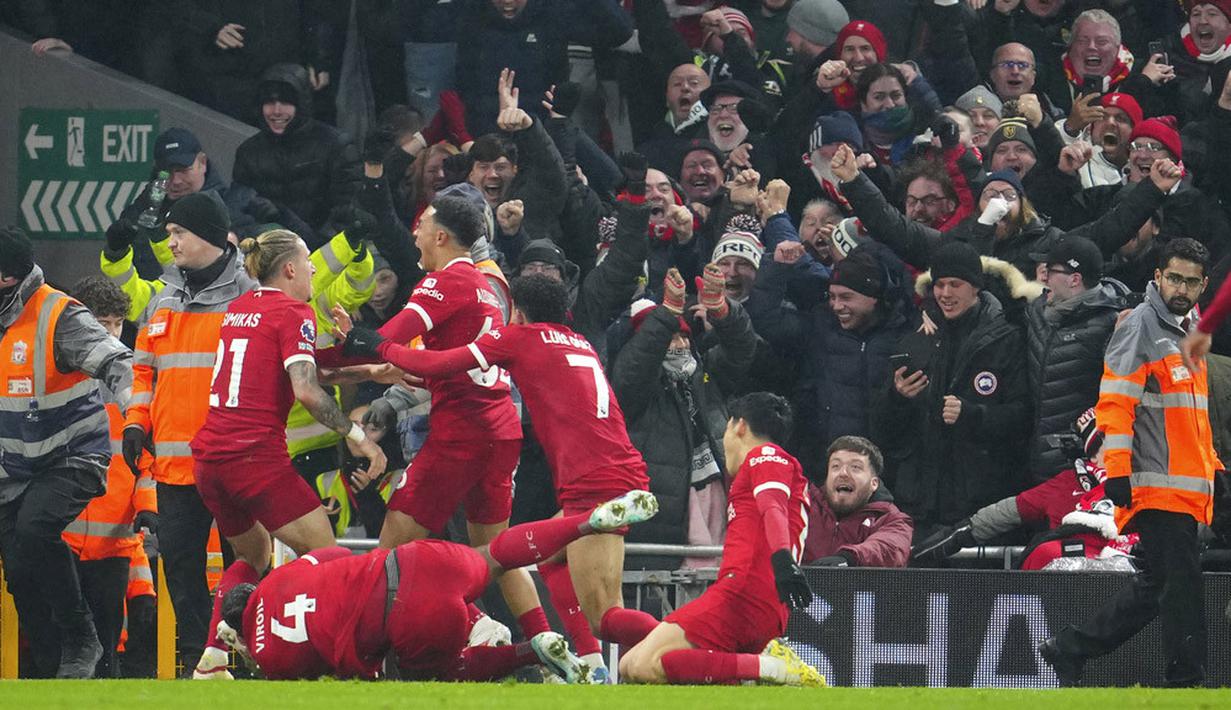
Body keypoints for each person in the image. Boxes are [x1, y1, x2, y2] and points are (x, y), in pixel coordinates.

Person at [338, 274, 653, 647]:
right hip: (619, 471)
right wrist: (399, 370)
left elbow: (442, 364)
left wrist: (379, 344)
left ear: (516, 312)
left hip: (594, 483)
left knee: (602, 618)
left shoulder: (519, 337)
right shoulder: (578, 342)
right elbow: (463, 376)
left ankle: (688, 639)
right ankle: (589, 665)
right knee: (547, 559)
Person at [187, 229, 388, 679]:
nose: (316, 270)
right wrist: (358, 436)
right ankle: (342, 664)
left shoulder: (239, 308)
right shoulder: (295, 312)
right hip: (253, 458)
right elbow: (305, 389)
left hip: (211, 460)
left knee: (252, 559)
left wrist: (369, 368)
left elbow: (297, 370)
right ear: (291, 269)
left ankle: (213, 658)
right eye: (308, 263)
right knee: (330, 559)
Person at [215, 490, 657, 681]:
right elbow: (335, 556)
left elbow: (322, 672)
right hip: (414, 563)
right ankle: (587, 522)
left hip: (405, 620)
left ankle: (532, 650)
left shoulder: (269, 657)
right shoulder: (284, 576)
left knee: (438, 671)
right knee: (496, 556)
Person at [1040, 238, 1221, 687]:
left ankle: (1070, 648)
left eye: (1191, 280)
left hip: (1188, 480)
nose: (1181, 288)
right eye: (1174, 277)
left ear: (1204, 284)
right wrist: (1117, 471)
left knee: (1158, 584)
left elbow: (1191, 416)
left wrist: (1214, 467)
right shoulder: (1141, 326)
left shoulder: (1189, 327)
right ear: (1157, 276)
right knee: (1181, 584)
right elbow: (1115, 404)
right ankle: (1186, 681)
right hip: (1153, 481)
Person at [122, 192, 257, 673]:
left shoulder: (249, 298)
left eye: (179, 233)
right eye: (170, 233)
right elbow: (144, 371)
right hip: (176, 468)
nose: (170, 242)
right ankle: (200, 658)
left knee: (245, 566)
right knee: (179, 566)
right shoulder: (163, 296)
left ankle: (247, 655)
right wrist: (137, 421)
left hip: (233, 462)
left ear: (210, 235)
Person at [615, 392, 823, 686]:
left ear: (738, 426)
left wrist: (782, 559)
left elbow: (772, 506)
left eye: (726, 429)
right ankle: (764, 669)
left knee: (641, 665)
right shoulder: (768, 467)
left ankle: (774, 666)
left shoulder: (766, 455)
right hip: (760, 598)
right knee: (634, 665)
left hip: (744, 592)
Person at [0, 227, 133, 678]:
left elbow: (116, 360)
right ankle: (48, 670)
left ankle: (81, 634)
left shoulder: (60, 315)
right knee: (18, 570)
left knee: (35, 531)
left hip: (73, 454)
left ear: (5, 277)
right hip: (12, 465)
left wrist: (136, 410)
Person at [871, 241, 1031, 539]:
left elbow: (1022, 417)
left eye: (954, 284)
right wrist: (897, 399)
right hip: (918, 503)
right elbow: (883, 431)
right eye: (939, 285)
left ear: (975, 287)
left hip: (977, 504)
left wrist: (973, 414)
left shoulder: (1004, 339)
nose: (945, 294)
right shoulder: (917, 337)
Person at [613, 266, 758, 567]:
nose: (679, 345)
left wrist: (723, 310)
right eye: (669, 338)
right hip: (663, 523)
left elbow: (743, 349)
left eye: (683, 337)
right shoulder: (636, 391)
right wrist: (666, 315)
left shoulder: (706, 376)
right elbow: (634, 370)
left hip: (717, 503)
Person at [61, 277, 157, 679]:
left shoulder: (135, 385)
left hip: (114, 542)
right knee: (62, 644)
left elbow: (146, 460)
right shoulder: (56, 381)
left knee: (105, 645)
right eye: (102, 324)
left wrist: (149, 508)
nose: (111, 334)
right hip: (62, 536)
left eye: (117, 324)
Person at [1025, 237, 1129, 483]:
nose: (1043, 278)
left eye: (1051, 271)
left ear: (1075, 279)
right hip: (1030, 458)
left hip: (1079, 464)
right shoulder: (1037, 311)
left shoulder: (1110, 325)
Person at [232, 64, 362, 248]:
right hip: (268, 254)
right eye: (269, 102)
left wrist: (314, 247)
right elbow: (239, 212)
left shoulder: (337, 145)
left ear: (302, 103)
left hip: (328, 255)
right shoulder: (248, 152)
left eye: (286, 102)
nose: (276, 111)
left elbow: (349, 211)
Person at [802, 436, 912, 567]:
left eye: (855, 467)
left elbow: (889, 548)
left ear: (874, 483)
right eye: (835, 466)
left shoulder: (892, 519)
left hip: (860, 587)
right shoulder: (803, 506)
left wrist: (849, 558)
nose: (843, 473)